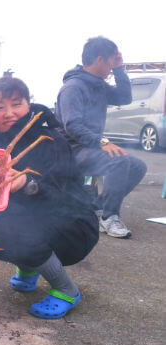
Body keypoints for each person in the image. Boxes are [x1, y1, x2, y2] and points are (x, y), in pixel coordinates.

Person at [0, 77, 99, 319]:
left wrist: (28, 183)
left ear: (28, 104)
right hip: (43, 219)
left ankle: (67, 289)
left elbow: (61, 198)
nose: (9, 113)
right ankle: (28, 269)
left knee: (4, 228)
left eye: (16, 104)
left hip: (74, 226)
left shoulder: (49, 141)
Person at [55, 36, 147, 238]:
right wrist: (102, 142)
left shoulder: (98, 85)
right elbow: (72, 125)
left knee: (138, 166)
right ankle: (109, 217)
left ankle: (97, 209)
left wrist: (119, 69)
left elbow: (124, 97)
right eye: (111, 61)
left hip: (90, 147)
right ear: (99, 60)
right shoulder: (73, 87)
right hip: (71, 151)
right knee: (119, 160)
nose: (111, 66)